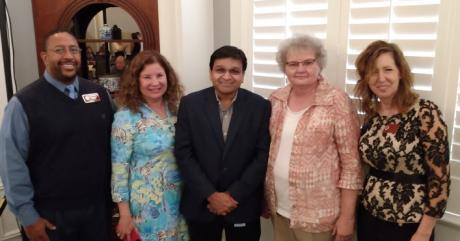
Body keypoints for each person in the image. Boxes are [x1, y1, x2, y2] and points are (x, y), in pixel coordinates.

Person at [0, 30, 113, 241]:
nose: (68, 56)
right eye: (59, 50)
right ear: (44, 57)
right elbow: (11, 164)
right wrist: (28, 217)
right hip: (51, 217)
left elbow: (118, 146)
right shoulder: (23, 104)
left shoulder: (100, 95)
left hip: (98, 211)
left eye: (73, 50)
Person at [264, 34, 363, 241]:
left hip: (320, 216)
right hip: (280, 208)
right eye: (293, 64)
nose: (301, 69)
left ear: (320, 64)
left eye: (308, 62)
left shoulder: (337, 101)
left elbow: (351, 165)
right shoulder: (276, 99)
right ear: (285, 67)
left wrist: (347, 217)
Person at [354, 40, 450, 241]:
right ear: (366, 78)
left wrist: (424, 232)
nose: (381, 78)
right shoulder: (371, 116)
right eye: (373, 71)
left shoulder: (425, 113)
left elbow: (440, 179)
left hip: (410, 225)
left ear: (400, 72)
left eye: (388, 69)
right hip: (369, 217)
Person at [174, 45, 271, 241]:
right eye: (220, 70)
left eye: (234, 71)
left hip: (243, 202)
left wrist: (233, 196)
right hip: (201, 202)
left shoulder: (260, 106)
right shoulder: (190, 104)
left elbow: (262, 156)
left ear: (243, 75)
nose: (227, 76)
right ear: (211, 73)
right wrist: (211, 195)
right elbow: (184, 154)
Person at [111, 50, 189, 241]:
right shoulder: (126, 117)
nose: (155, 83)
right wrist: (124, 214)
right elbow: (119, 169)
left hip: (182, 200)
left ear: (168, 78)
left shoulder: (178, 109)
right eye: (147, 77)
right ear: (136, 81)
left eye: (159, 75)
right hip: (147, 206)